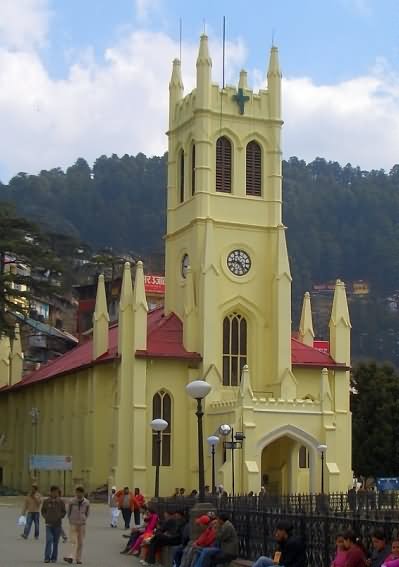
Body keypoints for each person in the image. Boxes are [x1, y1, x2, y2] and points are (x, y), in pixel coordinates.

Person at [63, 485, 90, 565]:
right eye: (77, 492)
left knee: (80, 542)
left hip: (82, 524)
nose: (79, 494)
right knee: (73, 541)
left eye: (80, 492)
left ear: (83, 493)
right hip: (73, 523)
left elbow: (87, 513)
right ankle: (71, 556)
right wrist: (70, 519)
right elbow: (68, 511)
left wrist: (84, 518)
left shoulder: (86, 502)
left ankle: (78, 559)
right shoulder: (72, 501)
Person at [41, 485, 66, 564]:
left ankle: (54, 557)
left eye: (57, 492)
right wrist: (46, 517)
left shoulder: (61, 502)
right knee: (49, 540)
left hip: (57, 525)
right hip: (49, 524)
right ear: (51, 492)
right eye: (54, 492)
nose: (55, 494)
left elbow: (64, 511)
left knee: (55, 542)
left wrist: (60, 517)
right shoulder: (46, 501)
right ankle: (47, 557)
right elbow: (43, 511)